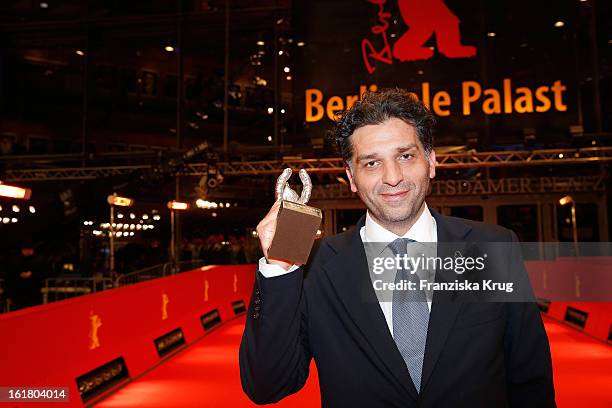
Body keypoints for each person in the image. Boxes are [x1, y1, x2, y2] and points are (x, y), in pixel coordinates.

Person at [239, 88, 555, 407]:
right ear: (351, 177)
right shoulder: (314, 267)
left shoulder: (492, 247)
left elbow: (530, 381)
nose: (393, 177)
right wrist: (280, 265)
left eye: (405, 156)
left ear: (430, 161)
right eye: (372, 163)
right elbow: (267, 385)